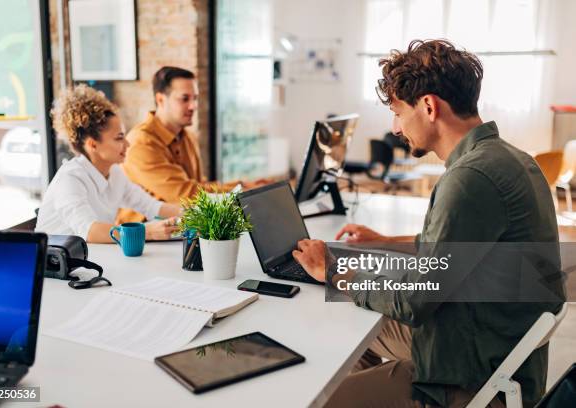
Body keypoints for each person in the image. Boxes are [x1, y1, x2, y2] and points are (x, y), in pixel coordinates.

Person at [293, 39, 564, 407]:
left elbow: (414, 301)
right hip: (495, 337)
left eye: (397, 112)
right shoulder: (508, 158)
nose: (395, 127)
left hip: (471, 367)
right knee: (351, 322)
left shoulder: (471, 177)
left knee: (317, 394)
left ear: (429, 106)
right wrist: (383, 241)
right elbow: (450, 247)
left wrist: (334, 272)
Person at [36, 85, 181, 243]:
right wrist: (148, 232)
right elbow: (90, 231)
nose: (128, 144)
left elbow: (151, 206)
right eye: (119, 138)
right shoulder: (70, 179)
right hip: (54, 264)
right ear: (92, 145)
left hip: (92, 257)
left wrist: (197, 213)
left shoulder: (115, 174)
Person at [122, 66, 264, 215]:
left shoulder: (187, 137)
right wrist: (244, 191)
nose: (193, 106)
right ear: (161, 99)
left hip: (182, 225)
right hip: (146, 233)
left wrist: (242, 185)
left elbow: (198, 186)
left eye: (195, 98)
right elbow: (185, 194)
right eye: (185, 99)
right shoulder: (141, 142)